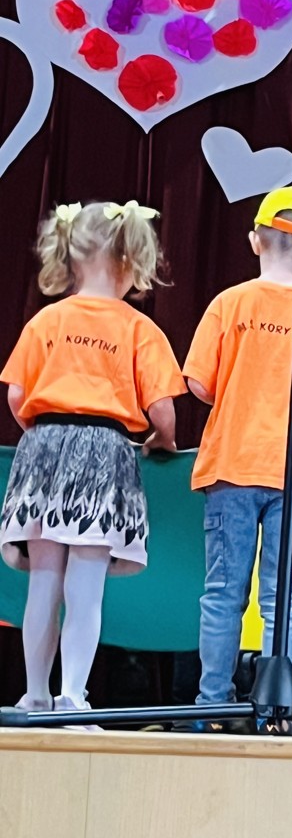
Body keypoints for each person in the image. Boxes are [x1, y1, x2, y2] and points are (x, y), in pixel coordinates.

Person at [183, 187, 292, 722]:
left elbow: (197, 383)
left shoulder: (229, 304)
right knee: (285, 601)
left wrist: (242, 393)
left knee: (222, 593)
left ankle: (211, 706)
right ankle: (274, 711)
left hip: (232, 466)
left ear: (254, 241)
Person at [0, 200, 183, 718]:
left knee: (43, 582)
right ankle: (73, 697)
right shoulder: (139, 329)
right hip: (104, 453)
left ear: (71, 255)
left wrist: (41, 434)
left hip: (43, 448)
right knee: (86, 588)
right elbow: (162, 409)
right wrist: (163, 439)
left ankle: (35, 693)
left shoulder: (47, 320)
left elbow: (17, 394)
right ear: (130, 260)